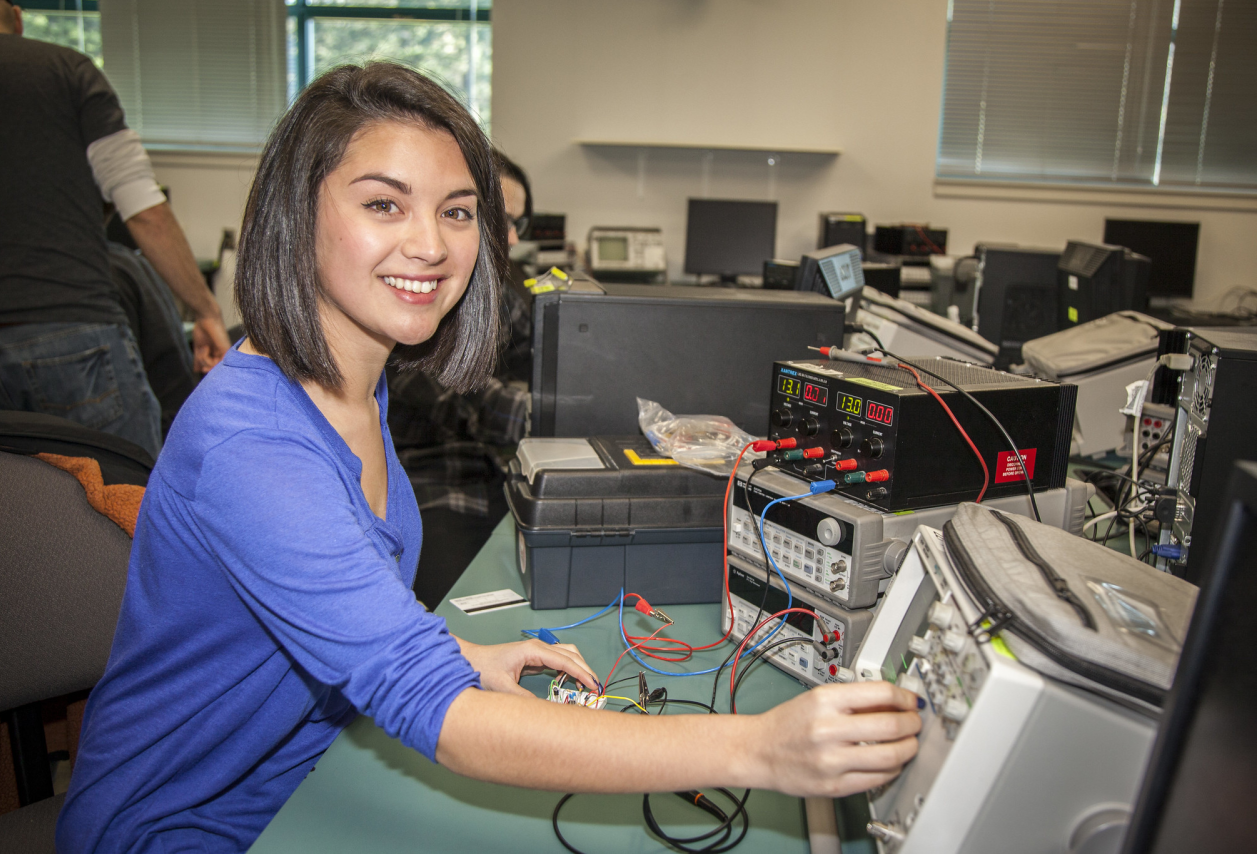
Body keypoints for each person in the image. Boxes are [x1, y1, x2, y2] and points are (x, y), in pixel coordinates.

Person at [56, 63, 920, 852]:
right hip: (181, 826)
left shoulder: (349, 379)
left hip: (303, 777)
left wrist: (458, 655)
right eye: (383, 204)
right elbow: (442, 720)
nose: (432, 245)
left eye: (458, 210)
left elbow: (325, 615)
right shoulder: (253, 442)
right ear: (297, 213)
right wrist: (760, 748)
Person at [0, 0, 230, 459]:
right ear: (16, 18)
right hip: (72, 332)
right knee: (125, 506)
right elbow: (142, 206)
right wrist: (206, 310)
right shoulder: (64, 69)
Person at [386, 150, 534, 609]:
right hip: (430, 481)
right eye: (499, 218)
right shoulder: (413, 290)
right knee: (465, 613)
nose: (510, 237)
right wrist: (562, 414)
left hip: (500, 476)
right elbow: (466, 399)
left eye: (519, 224)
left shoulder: (511, 293)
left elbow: (543, 373)